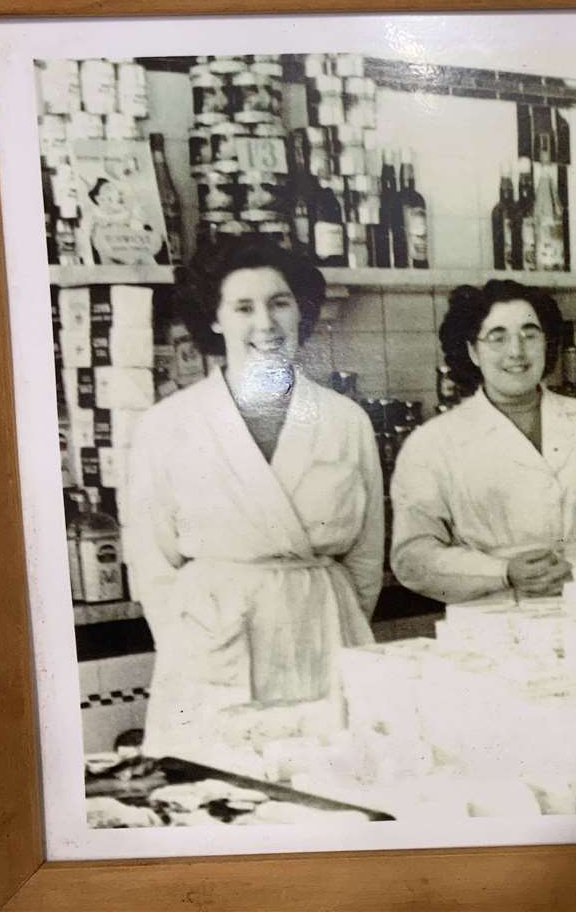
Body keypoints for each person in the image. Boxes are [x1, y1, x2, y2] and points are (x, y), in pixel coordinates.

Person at [122, 236, 384, 759]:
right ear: (214, 319)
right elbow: (152, 563)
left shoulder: (344, 419)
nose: (265, 323)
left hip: (323, 631)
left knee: (332, 787)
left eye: (279, 302)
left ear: (300, 311)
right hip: (213, 648)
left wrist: (331, 616)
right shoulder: (167, 424)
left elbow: (366, 556)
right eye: (244, 307)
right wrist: (188, 645)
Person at [390, 279, 576, 603]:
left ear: (547, 343)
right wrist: (501, 571)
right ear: (473, 350)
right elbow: (412, 557)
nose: (516, 351)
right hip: (489, 621)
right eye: (497, 338)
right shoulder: (432, 443)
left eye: (530, 335)